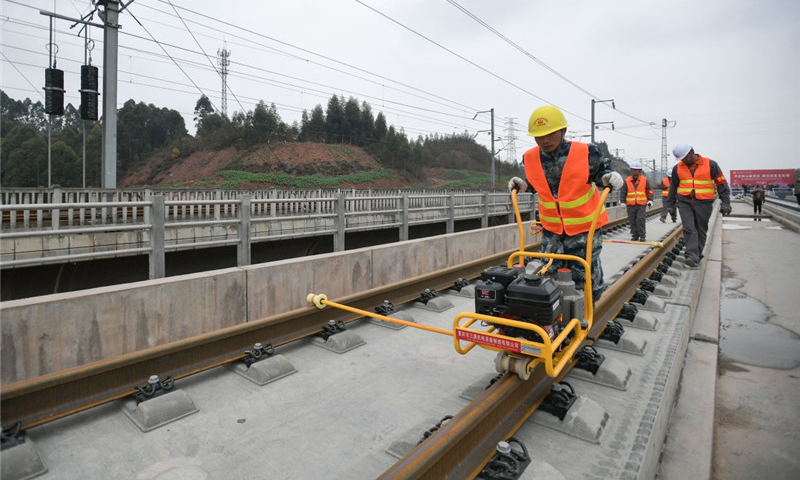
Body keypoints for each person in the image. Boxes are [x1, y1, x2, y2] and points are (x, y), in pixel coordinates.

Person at [508, 105, 623, 301]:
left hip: (584, 227)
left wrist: (609, 177)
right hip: (551, 228)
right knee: (550, 270)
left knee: (583, 273)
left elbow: (601, 176)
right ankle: (558, 314)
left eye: (551, 133)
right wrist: (523, 185)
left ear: (563, 131)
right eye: (539, 135)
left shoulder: (588, 152)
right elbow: (539, 183)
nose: (545, 140)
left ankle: (590, 309)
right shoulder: (529, 157)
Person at [662, 143, 732, 267]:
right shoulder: (677, 168)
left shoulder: (711, 164)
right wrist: (671, 205)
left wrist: (725, 202)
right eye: (681, 159)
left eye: (685, 158)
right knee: (689, 228)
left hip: (704, 202)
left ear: (692, 152)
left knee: (701, 229)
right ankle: (691, 255)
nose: (683, 161)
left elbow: (721, 183)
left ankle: (697, 255)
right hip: (684, 202)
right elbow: (673, 188)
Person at [620, 160, 654, 241]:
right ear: (631, 170)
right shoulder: (627, 180)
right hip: (630, 205)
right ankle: (635, 235)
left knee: (640, 219)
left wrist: (650, 200)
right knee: (632, 220)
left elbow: (649, 191)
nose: (635, 171)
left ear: (640, 171)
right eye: (633, 169)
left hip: (641, 204)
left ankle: (642, 235)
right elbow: (623, 192)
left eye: (637, 170)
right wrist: (622, 201)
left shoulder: (645, 180)